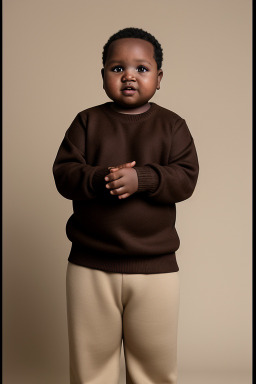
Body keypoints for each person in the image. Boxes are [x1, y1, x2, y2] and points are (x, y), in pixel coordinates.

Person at [53, 27, 199, 384]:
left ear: (159, 77)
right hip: (90, 266)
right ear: (103, 75)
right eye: (117, 68)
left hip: (156, 269)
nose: (129, 75)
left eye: (142, 68)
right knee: (90, 368)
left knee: (153, 368)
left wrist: (143, 179)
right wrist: (104, 178)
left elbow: (186, 178)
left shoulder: (172, 125)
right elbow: (64, 174)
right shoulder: (87, 122)